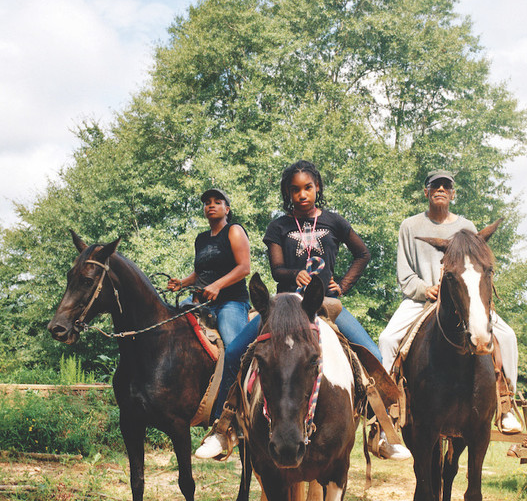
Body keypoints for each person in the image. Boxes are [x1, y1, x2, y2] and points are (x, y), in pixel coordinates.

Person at [195, 159, 408, 459]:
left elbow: (362, 253)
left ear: (317, 187)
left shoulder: (334, 221)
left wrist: (343, 285)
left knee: (371, 352)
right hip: (284, 307)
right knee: (233, 354)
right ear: (288, 193)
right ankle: (224, 427)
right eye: (295, 190)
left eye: (307, 188)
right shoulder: (278, 226)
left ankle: (382, 429)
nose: (302, 195)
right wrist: (293, 274)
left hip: (326, 304)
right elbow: (276, 269)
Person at [378, 170, 522, 433]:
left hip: (463, 300)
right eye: (435, 186)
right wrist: (425, 289)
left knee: (508, 337)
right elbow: (405, 273)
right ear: (426, 192)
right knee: (387, 339)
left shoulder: (466, 227)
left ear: (453, 193)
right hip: (421, 300)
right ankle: (388, 410)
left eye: (446, 186)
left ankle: (505, 403)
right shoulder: (409, 227)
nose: (441, 189)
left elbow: (474, 268)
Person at [167, 187, 251, 348]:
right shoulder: (201, 239)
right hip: (200, 301)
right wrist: (181, 283)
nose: (211, 205)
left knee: (233, 344)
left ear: (227, 209)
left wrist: (217, 285)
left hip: (230, 301)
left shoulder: (234, 230)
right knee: (168, 325)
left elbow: (244, 268)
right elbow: (199, 273)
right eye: (207, 203)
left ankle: (241, 371)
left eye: (217, 202)